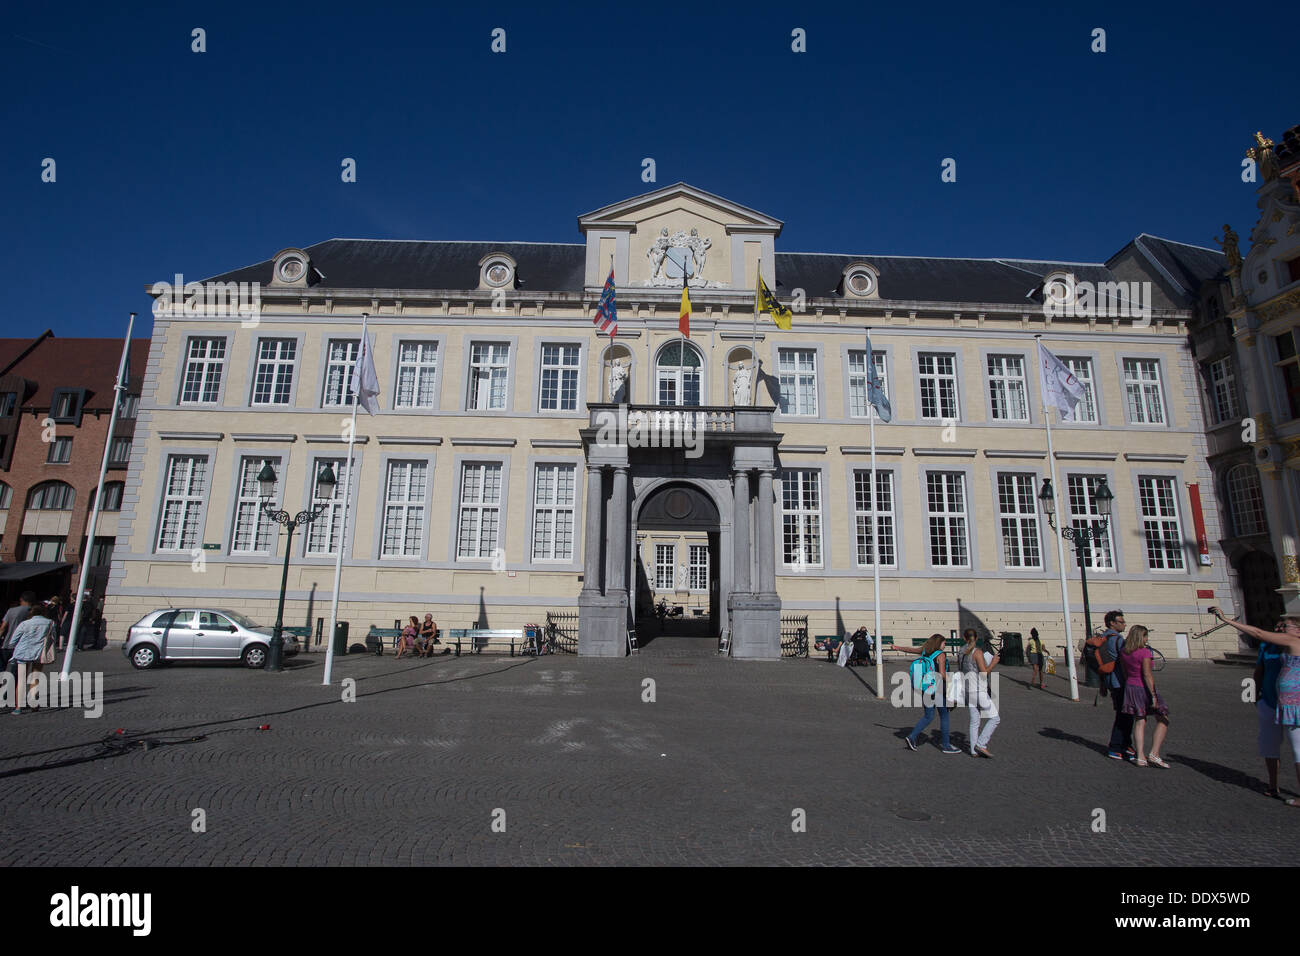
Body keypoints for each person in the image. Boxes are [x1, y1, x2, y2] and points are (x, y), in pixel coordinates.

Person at [1209, 606, 1300, 805]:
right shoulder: (1276, 646)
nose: (1283, 628)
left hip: (1293, 703)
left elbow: (1258, 633)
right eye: (1281, 625)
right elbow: (1259, 670)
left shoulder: (1293, 641)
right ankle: (1272, 785)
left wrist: (1226, 620)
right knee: (1276, 745)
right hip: (1275, 700)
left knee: (1298, 749)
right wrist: (1254, 694)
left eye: (1288, 625)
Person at [898, 634, 962, 754]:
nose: (945, 645)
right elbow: (942, 674)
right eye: (944, 643)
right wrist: (952, 682)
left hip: (925, 688)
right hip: (938, 689)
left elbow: (910, 649)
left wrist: (897, 647)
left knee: (928, 716)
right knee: (944, 716)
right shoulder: (940, 655)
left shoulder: (924, 651)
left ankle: (912, 737)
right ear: (939, 643)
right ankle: (946, 745)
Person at [1119, 625, 1170, 768]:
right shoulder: (1145, 652)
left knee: (1140, 721)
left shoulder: (1124, 652)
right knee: (1163, 718)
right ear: (1142, 637)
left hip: (1130, 686)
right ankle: (1154, 753)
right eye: (1146, 636)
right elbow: (1147, 674)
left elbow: (1124, 672)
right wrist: (1153, 695)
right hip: (1143, 688)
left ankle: (1140, 756)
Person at [958, 630, 1001, 757]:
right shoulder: (977, 652)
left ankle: (973, 750)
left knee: (974, 720)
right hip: (978, 689)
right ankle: (981, 743)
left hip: (967, 688)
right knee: (995, 718)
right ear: (976, 638)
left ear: (964, 638)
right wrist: (993, 663)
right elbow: (984, 672)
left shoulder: (961, 651)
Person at [8, 603, 57, 714]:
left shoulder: (25, 624)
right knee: (35, 678)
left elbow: (13, 640)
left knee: (21, 680)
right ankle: (34, 704)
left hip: (23, 653)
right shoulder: (50, 623)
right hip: (39, 653)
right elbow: (53, 637)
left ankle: (18, 707)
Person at [1100, 610, 1135, 761]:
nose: (1124, 624)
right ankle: (1116, 746)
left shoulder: (1103, 637)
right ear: (1112, 623)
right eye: (1121, 621)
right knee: (1124, 715)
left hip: (1109, 680)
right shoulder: (1118, 640)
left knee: (1124, 714)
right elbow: (1126, 661)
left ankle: (1126, 744)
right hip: (1120, 681)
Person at [0, 591, 37, 671]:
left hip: (8, 643)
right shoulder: (35, 612)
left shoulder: (11, 611)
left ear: (21, 599)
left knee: (2, 667)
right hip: (24, 645)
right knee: (17, 670)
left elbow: (3, 628)